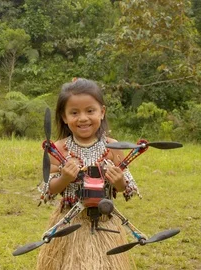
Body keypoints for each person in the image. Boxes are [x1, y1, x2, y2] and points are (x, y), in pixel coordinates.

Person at [36, 78, 140, 270]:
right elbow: (46, 191)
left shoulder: (113, 147)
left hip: (106, 224)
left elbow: (128, 189)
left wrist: (119, 182)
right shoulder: (58, 149)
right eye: (74, 113)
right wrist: (65, 177)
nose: (83, 118)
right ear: (64, 117)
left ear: (102, 112)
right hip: (69, 226)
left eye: (90, 111)